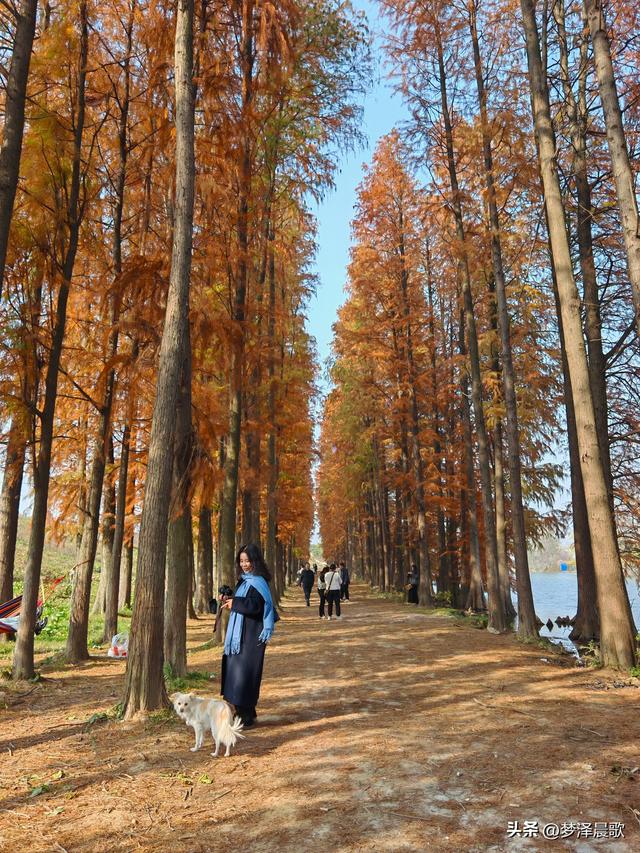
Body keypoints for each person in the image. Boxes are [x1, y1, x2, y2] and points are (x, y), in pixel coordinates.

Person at [220, 543, 277, 727]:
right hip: (239, 635)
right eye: (242, 561)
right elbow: (243, 602)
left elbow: (257, 606)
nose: (244, 564)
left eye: (248, 561)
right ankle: (244, 712)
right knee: (236, 672)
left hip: (252, 636)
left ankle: (245, 716)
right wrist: (229, 600)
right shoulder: (244, 580)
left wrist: (235, 603)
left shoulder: (259, 581)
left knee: (245, 674)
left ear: (255, 561)